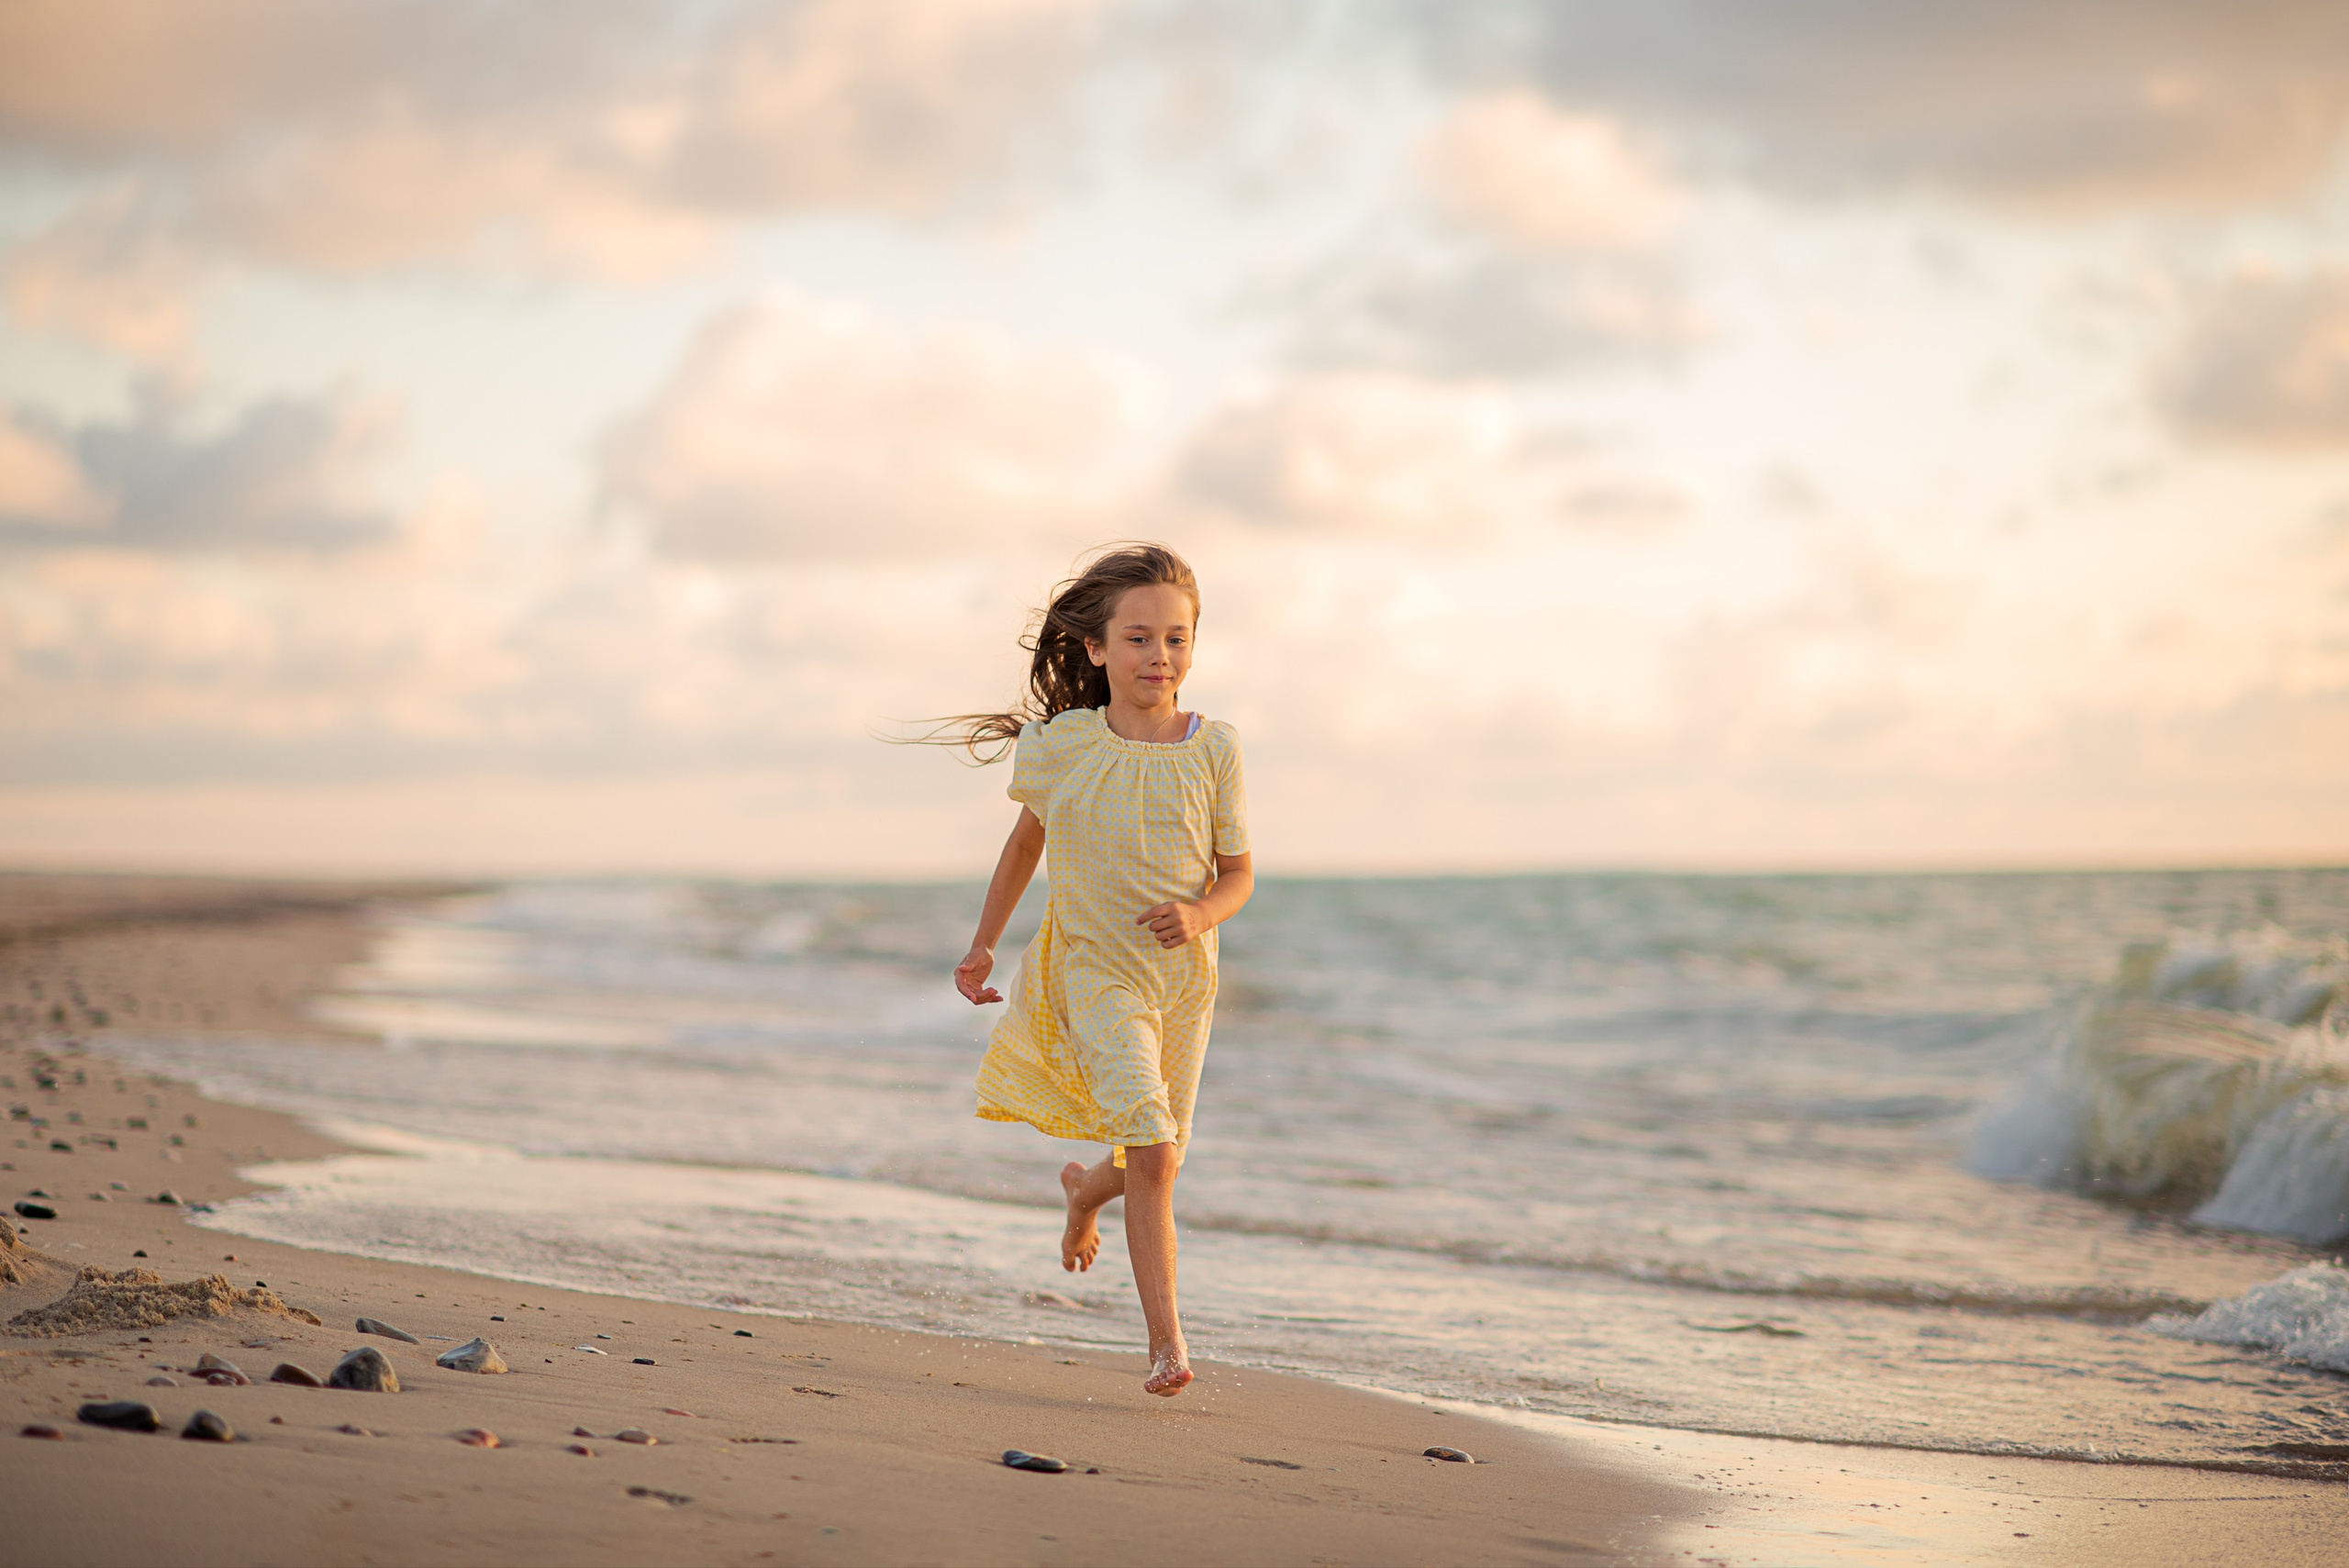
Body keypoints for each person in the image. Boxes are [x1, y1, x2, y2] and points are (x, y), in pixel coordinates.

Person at [943, 543, 1252, 1397]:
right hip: (1095, 968)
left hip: (1183, 981)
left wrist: (1199, 913)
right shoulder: (1066, 745)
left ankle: (1085, 1191)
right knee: (1152, 1143)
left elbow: (1240, 876)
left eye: (1178, 640)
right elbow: (1024, 843)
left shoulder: (1215, 749)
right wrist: (983, 944)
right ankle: (1169, 1346)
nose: (1161, 657)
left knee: (1159, 1162)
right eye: (1141, 638)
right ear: (1096, 648)